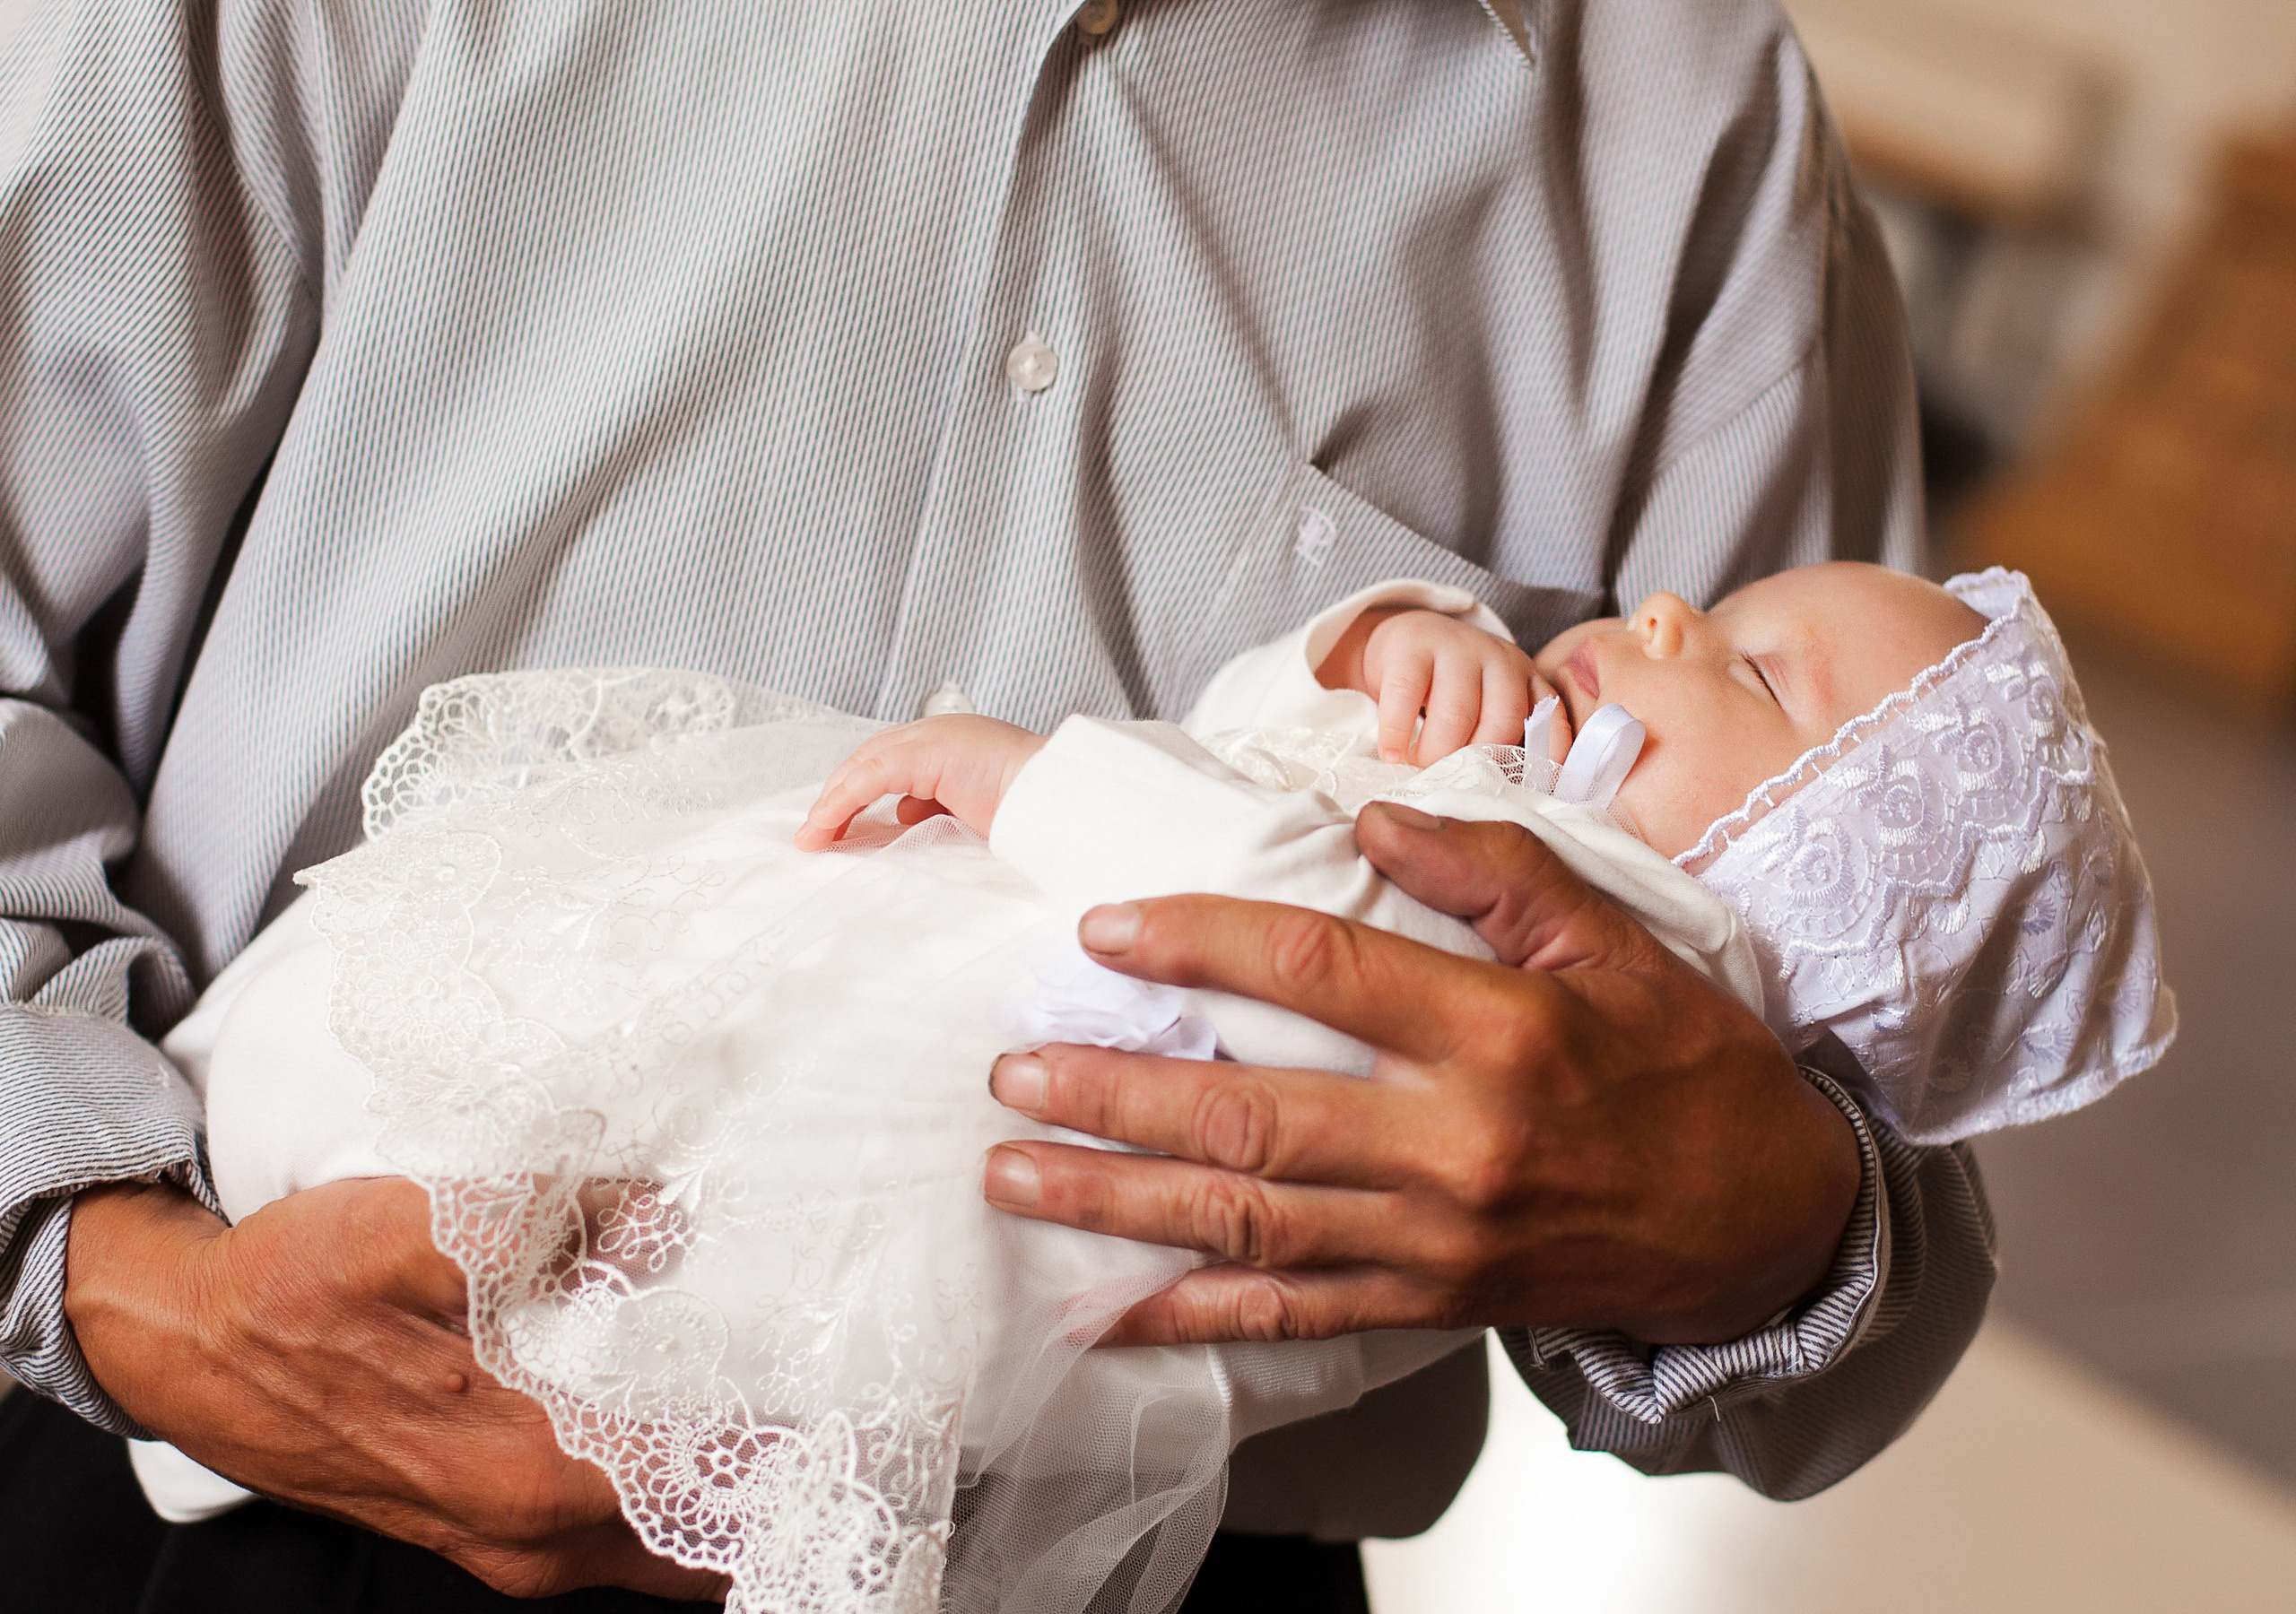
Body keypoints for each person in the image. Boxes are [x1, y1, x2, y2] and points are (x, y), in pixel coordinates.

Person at [0, 1, 1998, 1609]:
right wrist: (135, 1297)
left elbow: (1870, 1034)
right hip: (220, 1450)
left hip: (1135, 1564)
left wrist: (1754, 1229)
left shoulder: (1690, 123)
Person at [135, 561, 2167, 1614]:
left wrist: (1041, 783)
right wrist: (1381, 643)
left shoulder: (1623, 953)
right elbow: (1258, 757)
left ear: (1796, 887)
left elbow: (1284, 923)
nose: (1652, 612)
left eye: (1745, 670)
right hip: (168, 1355)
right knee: (566, 1044)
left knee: (669, 1143)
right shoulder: (1547, 779)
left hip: (1045, 1158)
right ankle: (198, 1269)